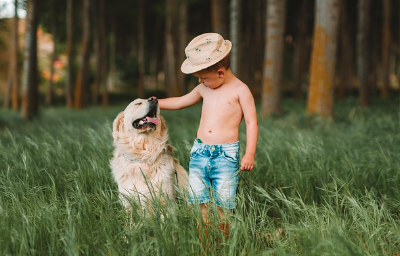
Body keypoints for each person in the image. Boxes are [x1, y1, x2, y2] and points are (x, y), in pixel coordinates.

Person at [158, 33, 258, 232]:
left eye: (204, 78)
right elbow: (180, 101)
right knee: (199, 200)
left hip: (225, 155)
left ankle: (222, 239)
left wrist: (249, 153)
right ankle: (204, 239)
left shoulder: (240, 90)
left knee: (223, 202)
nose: (201, 82)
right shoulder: (204, 89)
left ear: (220, 73)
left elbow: (251, 122)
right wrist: (156, 103)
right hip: (200, 153)